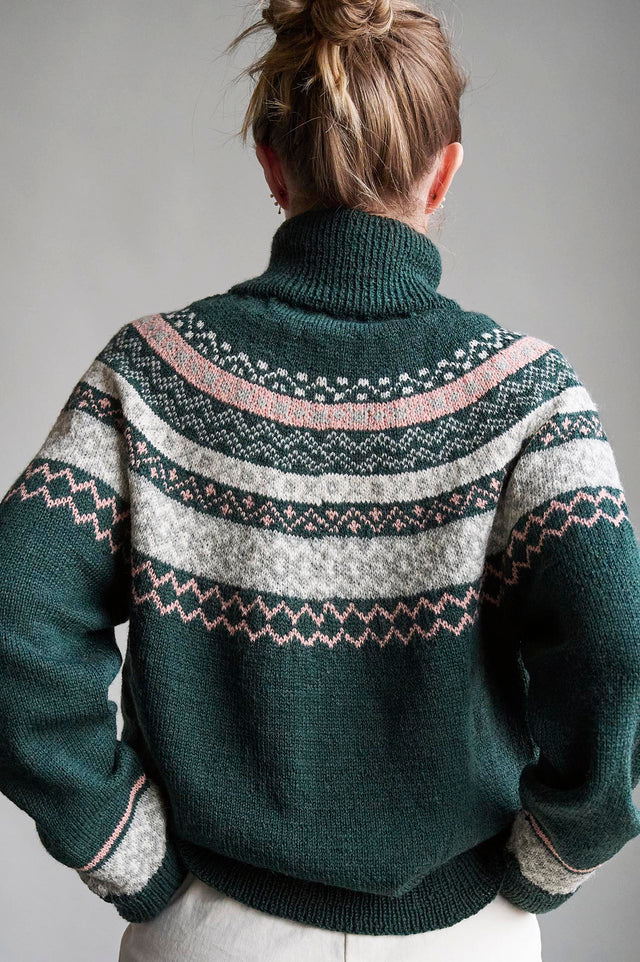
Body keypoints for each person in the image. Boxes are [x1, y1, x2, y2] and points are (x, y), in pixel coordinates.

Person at [1, 1, 639, 960]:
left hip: (212, 932)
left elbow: (13, 617)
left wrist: (124, 851)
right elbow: (619, 648)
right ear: (445, 172)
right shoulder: (530, 396)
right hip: (463, 937)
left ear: (271, 165)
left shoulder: (152, 373)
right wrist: (553, 856)